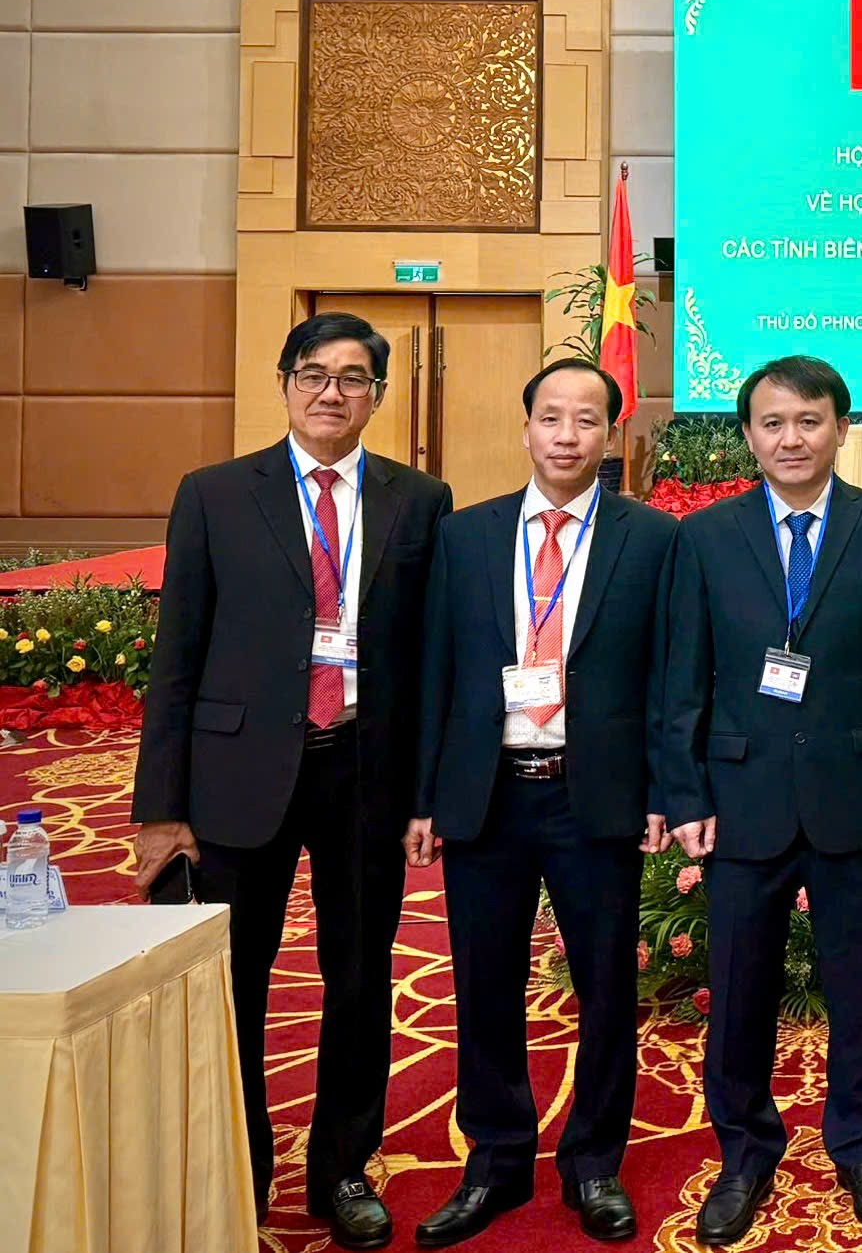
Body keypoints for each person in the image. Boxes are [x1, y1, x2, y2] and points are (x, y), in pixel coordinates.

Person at [129, 313, 452, 1249]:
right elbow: (176, 657)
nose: (330, 393)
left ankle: (342, 1168)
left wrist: (426, 794)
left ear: (378, 397)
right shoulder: (215, 494)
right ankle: (241, 1165)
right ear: (283, 383)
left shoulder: (419, 500)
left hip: (366, 769)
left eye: (353, 378)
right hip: (237, 774)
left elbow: (431, 661)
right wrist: (161, 808)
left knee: (360, 974)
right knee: (235, 976)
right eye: (313, 373)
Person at [406, 359, 678, 1246]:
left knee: (606, 987)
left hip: (595, 794)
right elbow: (438, 669)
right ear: (525, 427)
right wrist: (425, 796)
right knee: (484, 983)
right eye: (551, 417)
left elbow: (669, 677)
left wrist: (664, 791)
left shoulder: (652, 538)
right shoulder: (467, 534)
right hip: (488, 793)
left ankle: (594, 1162)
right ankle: (495, 1161)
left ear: (611, 434)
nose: (567, 435)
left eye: (586, 420)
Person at [659, 356, 862, 1245]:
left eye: (810, 421)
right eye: (772, 423)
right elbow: (684, 677)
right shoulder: (706, 536)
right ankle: (743, 1153)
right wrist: (686, 792)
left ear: (841, 428)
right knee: (738, 987)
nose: (792, 439)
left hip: (856, 793)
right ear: (748, 435)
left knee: (861, 986)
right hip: (740, 798)